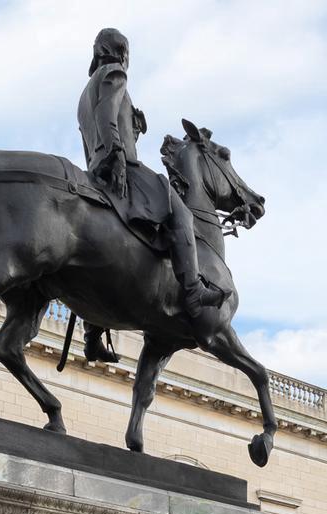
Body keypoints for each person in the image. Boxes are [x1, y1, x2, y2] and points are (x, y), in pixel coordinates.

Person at [76, 28, 227, 361]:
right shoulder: (115, 74)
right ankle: (193, 293)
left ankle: (92, 333)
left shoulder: (86, 90)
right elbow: (106, 115)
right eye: (125, 50)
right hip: (123, 166)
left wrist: (130, 126)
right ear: (118, 53)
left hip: (94, 169)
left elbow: (100, 120)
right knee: (181, 214)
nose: (126, 57)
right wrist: (117, 150)